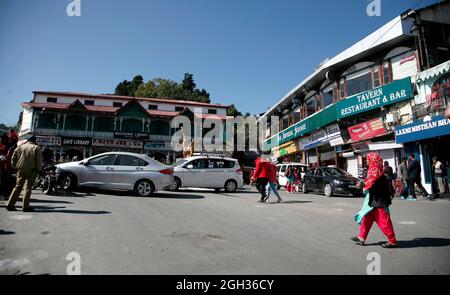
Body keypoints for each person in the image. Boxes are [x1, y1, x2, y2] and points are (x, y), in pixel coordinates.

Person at [352, 152, 398, 248]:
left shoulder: (375, 169)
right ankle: (361, 237)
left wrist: (362, 184)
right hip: (374, 201)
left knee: (384, 222)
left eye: (368, 159)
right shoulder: (375, 169)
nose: (367, 160)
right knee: (367, 220)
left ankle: (392, 240)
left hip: (379, 201)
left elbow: (371, 183)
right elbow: (370, 181)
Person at [5, 135, 43, 212]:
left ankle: (10, 204)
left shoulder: (20, 147)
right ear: (34, 141)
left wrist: (14, 167)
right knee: (28, 188)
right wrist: (38, 169)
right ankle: (25, 206)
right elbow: (38, 160)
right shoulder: (36, 148)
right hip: (32, 170)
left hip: (20, 170)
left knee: (17, 187)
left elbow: (13, 158)